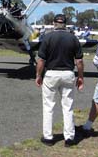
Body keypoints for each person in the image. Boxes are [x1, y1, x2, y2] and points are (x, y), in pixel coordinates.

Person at [35, 14, 84, 147]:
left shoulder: (47, 37)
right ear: (65, 24)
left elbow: (41, 60)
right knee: (68, 107)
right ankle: (69, 138)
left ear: (54, 23)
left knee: (48, 106)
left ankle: (48, 137)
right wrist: (80, 77)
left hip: (51, 74)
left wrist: (38, 75)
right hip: (68, 74)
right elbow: (79, 61)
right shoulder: (73, 38)